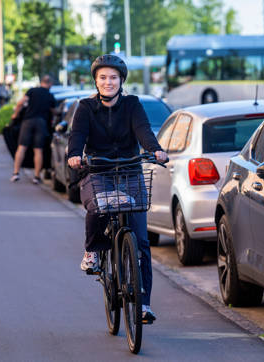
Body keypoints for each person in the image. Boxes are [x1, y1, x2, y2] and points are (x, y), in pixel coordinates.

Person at [66, 54, 168, 323]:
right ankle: (92, 252)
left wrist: (155, 149)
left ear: (121, 80)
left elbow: (143, 130)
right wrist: (75, 154)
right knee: (98, 208)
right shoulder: (86, 107)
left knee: (142, 242)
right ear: (96, 81)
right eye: (103, 77)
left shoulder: (133, 104)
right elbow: (77, 136)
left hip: (130, 170)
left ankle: (143, 305)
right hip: (99, 170)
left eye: (113, 77)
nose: (108, 82)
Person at [10, 75, 57, 183]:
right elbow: (54, 111)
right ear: (50, 84)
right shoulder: (50, 95)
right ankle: (36, 177)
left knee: (21, 147)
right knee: (38, 149)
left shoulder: (32, 91)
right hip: (41, 123)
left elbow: (21, 103)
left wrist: (15, 115)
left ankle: (16, 173)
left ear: (41, 82)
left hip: (28, 121)